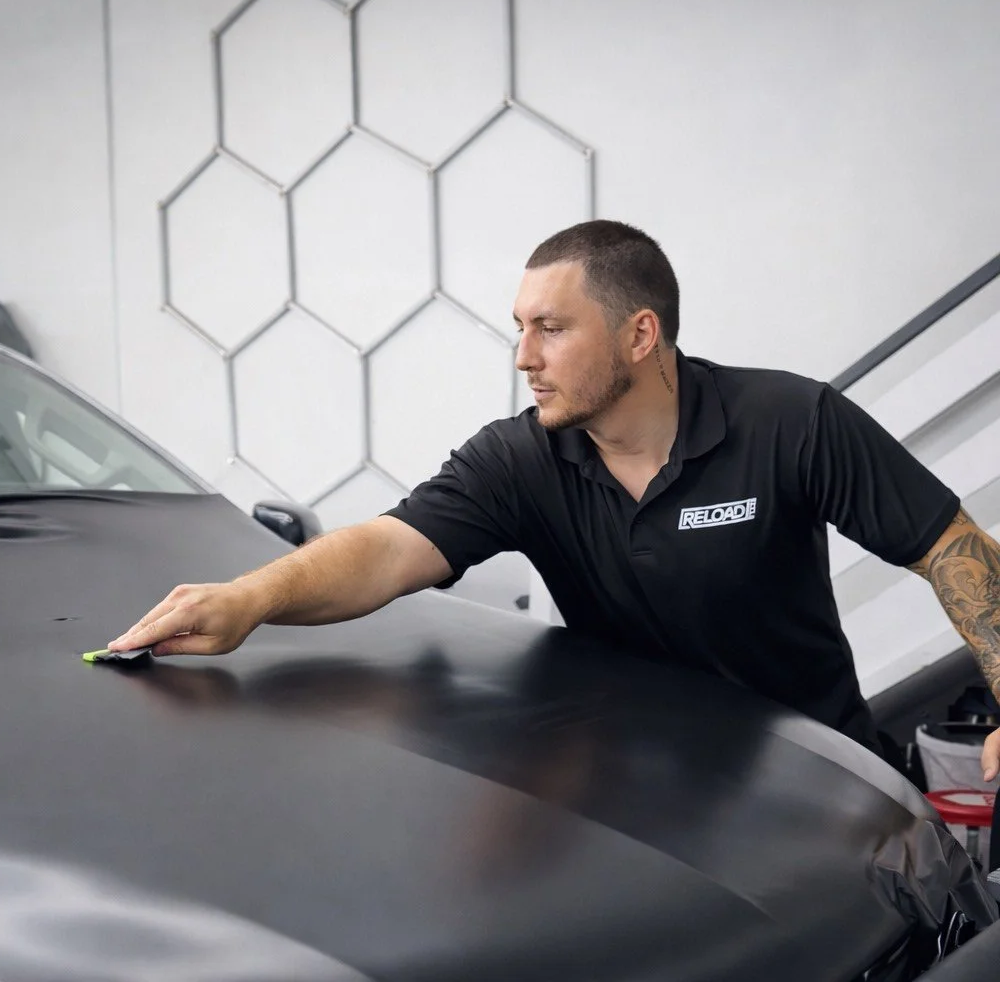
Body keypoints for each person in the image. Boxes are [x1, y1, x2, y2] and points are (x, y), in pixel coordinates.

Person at [109, 219, 1000, 778]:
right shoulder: (519, 458)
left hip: (821, 775)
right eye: (520, 329)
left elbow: (951, 548)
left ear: (640, 334)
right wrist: (250, 598)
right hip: (640, 791)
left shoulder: (791, 419)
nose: (524, 357)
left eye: (551, 329)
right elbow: (385, 548)